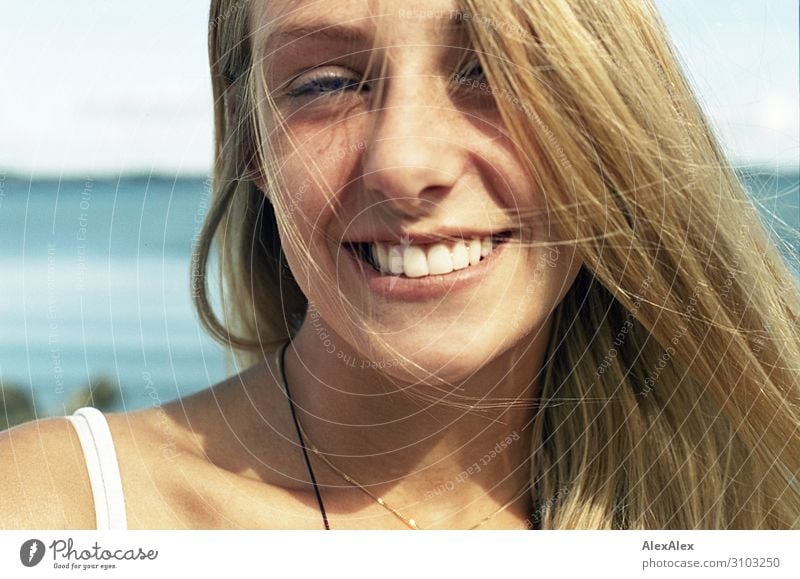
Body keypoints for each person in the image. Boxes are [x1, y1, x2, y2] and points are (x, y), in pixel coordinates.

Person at [1, 0, 798, 530]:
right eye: (324, 84)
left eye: (490, 68)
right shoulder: (53, 511)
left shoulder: (752, 506)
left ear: (606, 112)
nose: (403, 163)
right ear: (252, 144)